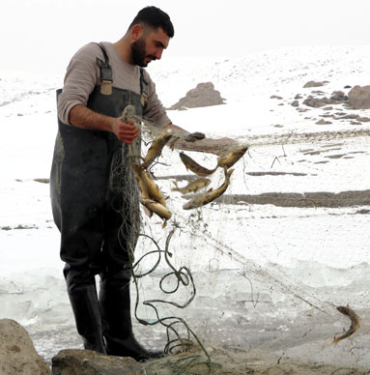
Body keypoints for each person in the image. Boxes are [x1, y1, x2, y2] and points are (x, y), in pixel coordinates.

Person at [50, 6, 204, 361]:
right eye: (156, 44)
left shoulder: (143, 80)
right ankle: (95, 349)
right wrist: (112, 125)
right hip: (77, 179)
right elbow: (68, 108)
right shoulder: (93, 56)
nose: (159, 54)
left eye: (163, 48)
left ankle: (121, 342)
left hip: (121, 185)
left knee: (119, 262)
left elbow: (163, 125)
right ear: (137, 31)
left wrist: (205, 144)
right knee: (81, 264)